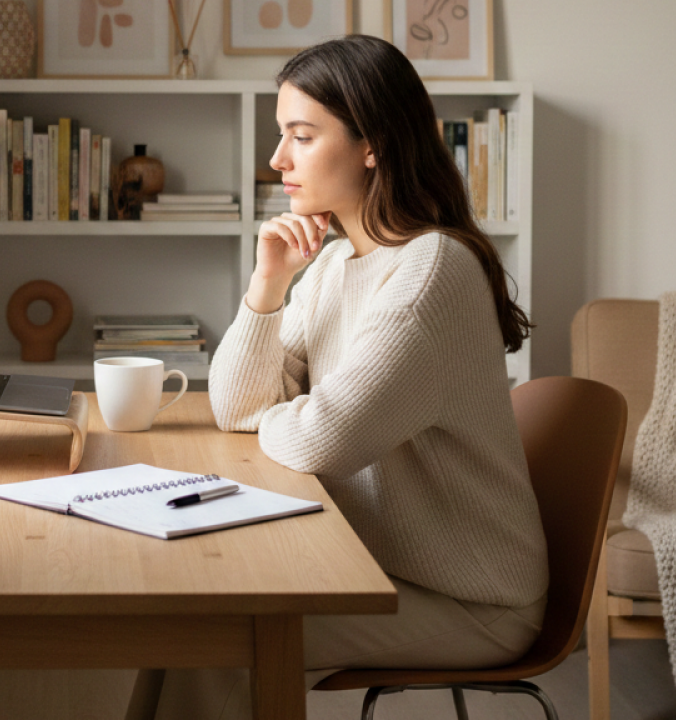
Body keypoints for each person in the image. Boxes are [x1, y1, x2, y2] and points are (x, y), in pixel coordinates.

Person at [153, 35, 549, 719]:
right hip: (373, 563)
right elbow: (236, 406)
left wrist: (295, 411)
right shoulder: (338, 264)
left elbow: (320, 442)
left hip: (472, 599)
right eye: (283, 135)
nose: (277, 160)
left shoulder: (431, 275)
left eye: (301, 136)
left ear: (372, 144)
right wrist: (267, 286)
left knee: (217, 638)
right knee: (171, 619)